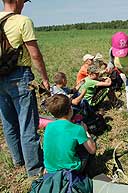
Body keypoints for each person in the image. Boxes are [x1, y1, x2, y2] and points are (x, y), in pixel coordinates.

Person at [0, 0, 50, 177]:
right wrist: (44, 78)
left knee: (8, 122)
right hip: (19, 77)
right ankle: (34, 169)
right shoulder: (23, 21)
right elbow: (35, 54)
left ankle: (18, 160)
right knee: (27, 123)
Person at [43, 94, 96, 174]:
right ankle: (87, 174)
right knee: (91, 141)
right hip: (69, 171)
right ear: (70, 109)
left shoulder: (49, 126)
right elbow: (92, 150)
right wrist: (85, 131)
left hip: (50, 169)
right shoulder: (77, 129)